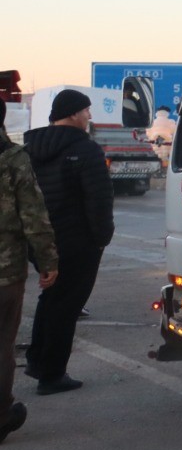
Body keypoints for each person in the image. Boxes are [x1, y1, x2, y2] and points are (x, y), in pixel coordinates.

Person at [21, 89, 113, 395]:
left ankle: (37, 360)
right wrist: (101, 238)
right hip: (78, 242)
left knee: (50, 300)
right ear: (73, 113)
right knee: (67, 306)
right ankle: (52, 375)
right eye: (86, 111)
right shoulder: (85, 150)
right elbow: (98, 200)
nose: (89, 116)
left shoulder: (31, 148)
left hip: (41, 241)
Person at [0, 99, 58, 441]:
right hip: (5, 272)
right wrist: (48, 262)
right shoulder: (13, 159)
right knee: (2, 344)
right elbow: (34, 216)